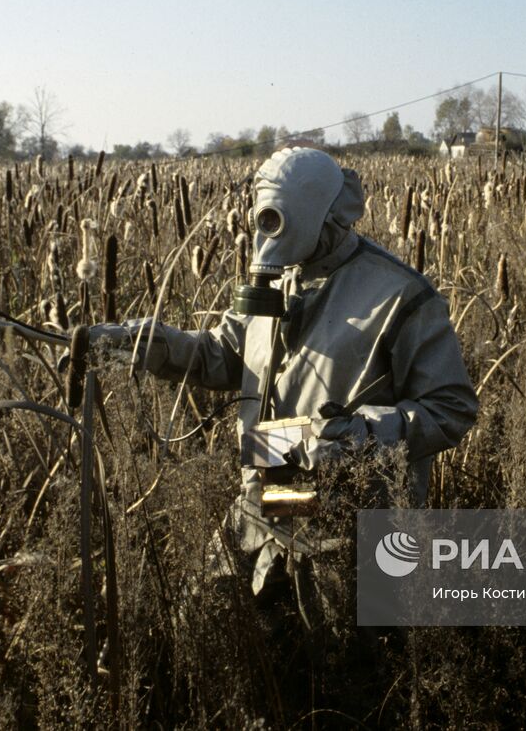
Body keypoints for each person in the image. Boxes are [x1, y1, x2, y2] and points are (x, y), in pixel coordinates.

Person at [89, 146, 478, 593]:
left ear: (325, 214)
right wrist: (142, 342)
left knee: (331, 654)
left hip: (349, 521)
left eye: (280, 219)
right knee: (209, 609)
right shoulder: (277, 278)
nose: (270, 232)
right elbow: (224, 355)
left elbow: (452, 409)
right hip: (265, 494)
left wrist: (359, 437)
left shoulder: (400, 296)